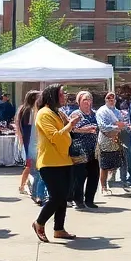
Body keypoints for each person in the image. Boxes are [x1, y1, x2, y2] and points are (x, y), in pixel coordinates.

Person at [32, 85, 81, 242]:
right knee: (56, 196)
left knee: (64, 196)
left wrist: (75, 126)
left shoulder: (58, 112)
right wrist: (69, 125)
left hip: (64, 160)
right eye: (61, 94)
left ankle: (59, 229)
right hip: (50, 162)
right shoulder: (43, 114)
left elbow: (68, 132)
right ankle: (39, 222)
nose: (64, 97)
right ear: (52, 96)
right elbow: (55, 136)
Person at [69, 91, 100, 209]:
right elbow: (72, 129)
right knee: (80, 176)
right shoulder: (75, 114)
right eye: (84, 100)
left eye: (89, 100)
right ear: (79, 102)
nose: (87, 102)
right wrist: (86, 130)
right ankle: (78, 200)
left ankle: (90, 200)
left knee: (94, 175)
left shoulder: (95, 114)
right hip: (80, 149)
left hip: (94, 149)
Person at [16, 90, 43, 202]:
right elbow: (30, 129)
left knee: (29, 166)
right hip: (30, 143)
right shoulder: (29, 110)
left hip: (28, 143)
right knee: (31, 166)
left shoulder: (24, 109)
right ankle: (25, 187)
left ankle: (23, 185)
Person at [96, 91, 126, 192]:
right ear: (105, 99)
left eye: (112, 98)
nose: (111, 99)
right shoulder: (102, 111)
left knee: (114, 163)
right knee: (104, 165)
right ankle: (103, 186)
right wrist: (116, 126)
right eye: (108, 98)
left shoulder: (117, 111)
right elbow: (102, 126)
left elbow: (122, 124)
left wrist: (119, 128)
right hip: (105, 140)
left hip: (116, 140)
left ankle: (111, 182)